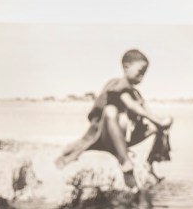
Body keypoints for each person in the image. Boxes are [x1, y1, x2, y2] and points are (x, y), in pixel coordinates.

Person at [56, 49, 173, 190]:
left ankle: (151, 163)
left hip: (123, 138)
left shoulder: (136, 93)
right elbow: (132, 105)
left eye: (145, 73)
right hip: (103, 137)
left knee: (157, 127)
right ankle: (125, 161)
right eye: (140, 71)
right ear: (126, 67)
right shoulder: (116, 84)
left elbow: (145, 109)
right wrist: (157, 120)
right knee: (110, 110)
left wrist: (162, 122)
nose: (142, 76)